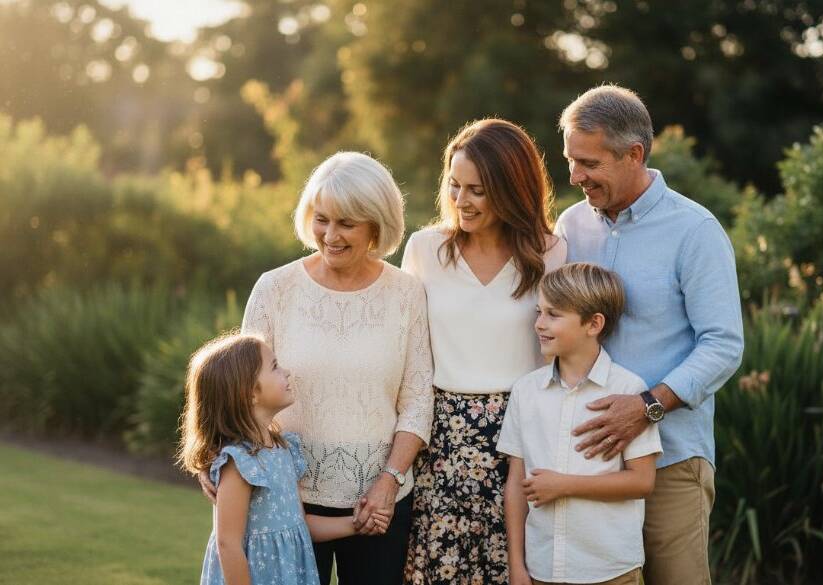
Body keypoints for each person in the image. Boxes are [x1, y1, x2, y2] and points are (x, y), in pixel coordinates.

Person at [199, 152, 435, 585]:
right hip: (286, 504)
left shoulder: (406, 294)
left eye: (347, 223)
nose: (330, 235)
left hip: (379, 503)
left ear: (376, 226)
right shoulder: (275, 288)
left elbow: (418, 399)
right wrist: (210, 460)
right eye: (322, 219)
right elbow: (235, 384)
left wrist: (389, 481)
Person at [555, 85, 744, 585]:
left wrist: (647, 405)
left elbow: (723, 345)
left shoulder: (695, 231)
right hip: (588, 463)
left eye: (589, 163)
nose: (575, 177)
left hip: (671, 462)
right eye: (571, 161)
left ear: (633, 154)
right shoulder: (571, 225)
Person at [401, 118, 567, 584]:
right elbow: (408, 354)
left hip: (524, 435)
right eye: (454, 185)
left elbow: (560, 352)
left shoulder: (550, 253)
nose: (460, 201)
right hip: (443, 438)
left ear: (512, 189)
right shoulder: (425, 249)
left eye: (476, 190)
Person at [179, 333, 392, 585]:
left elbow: (299, 525)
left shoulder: (283, 449)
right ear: (249, 394)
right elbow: (227, 544)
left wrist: (356, 523)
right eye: (275, 367)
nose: (287, 372)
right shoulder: (240, 463)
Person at [498, 263, 662, 585]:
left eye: (553, 315)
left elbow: (642, 482)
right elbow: (516, 484)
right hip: (541, 569)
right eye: (539, 312)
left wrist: (564, 485)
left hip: (611, 571)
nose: (539, 325)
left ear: (593, 323)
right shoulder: (526, 391)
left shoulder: (628, 391)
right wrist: (517, 565)